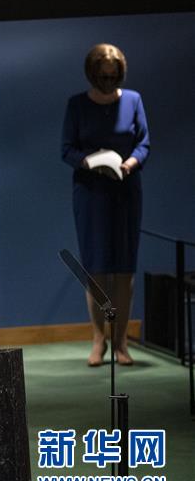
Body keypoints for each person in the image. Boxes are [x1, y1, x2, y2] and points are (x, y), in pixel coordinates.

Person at [62, 43, 150, 367]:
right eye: (103, 77)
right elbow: (66, 149)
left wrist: (130, 163)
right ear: (93, 75)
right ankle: (98, 340)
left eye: (114, 77)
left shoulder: (134, 101)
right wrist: (87, 162)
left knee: (124, 271)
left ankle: (121, 342)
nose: (109, 82)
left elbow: (144, 143)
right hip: (91, 193)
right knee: (96, 269)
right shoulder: (77, 105)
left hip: (126, 191)